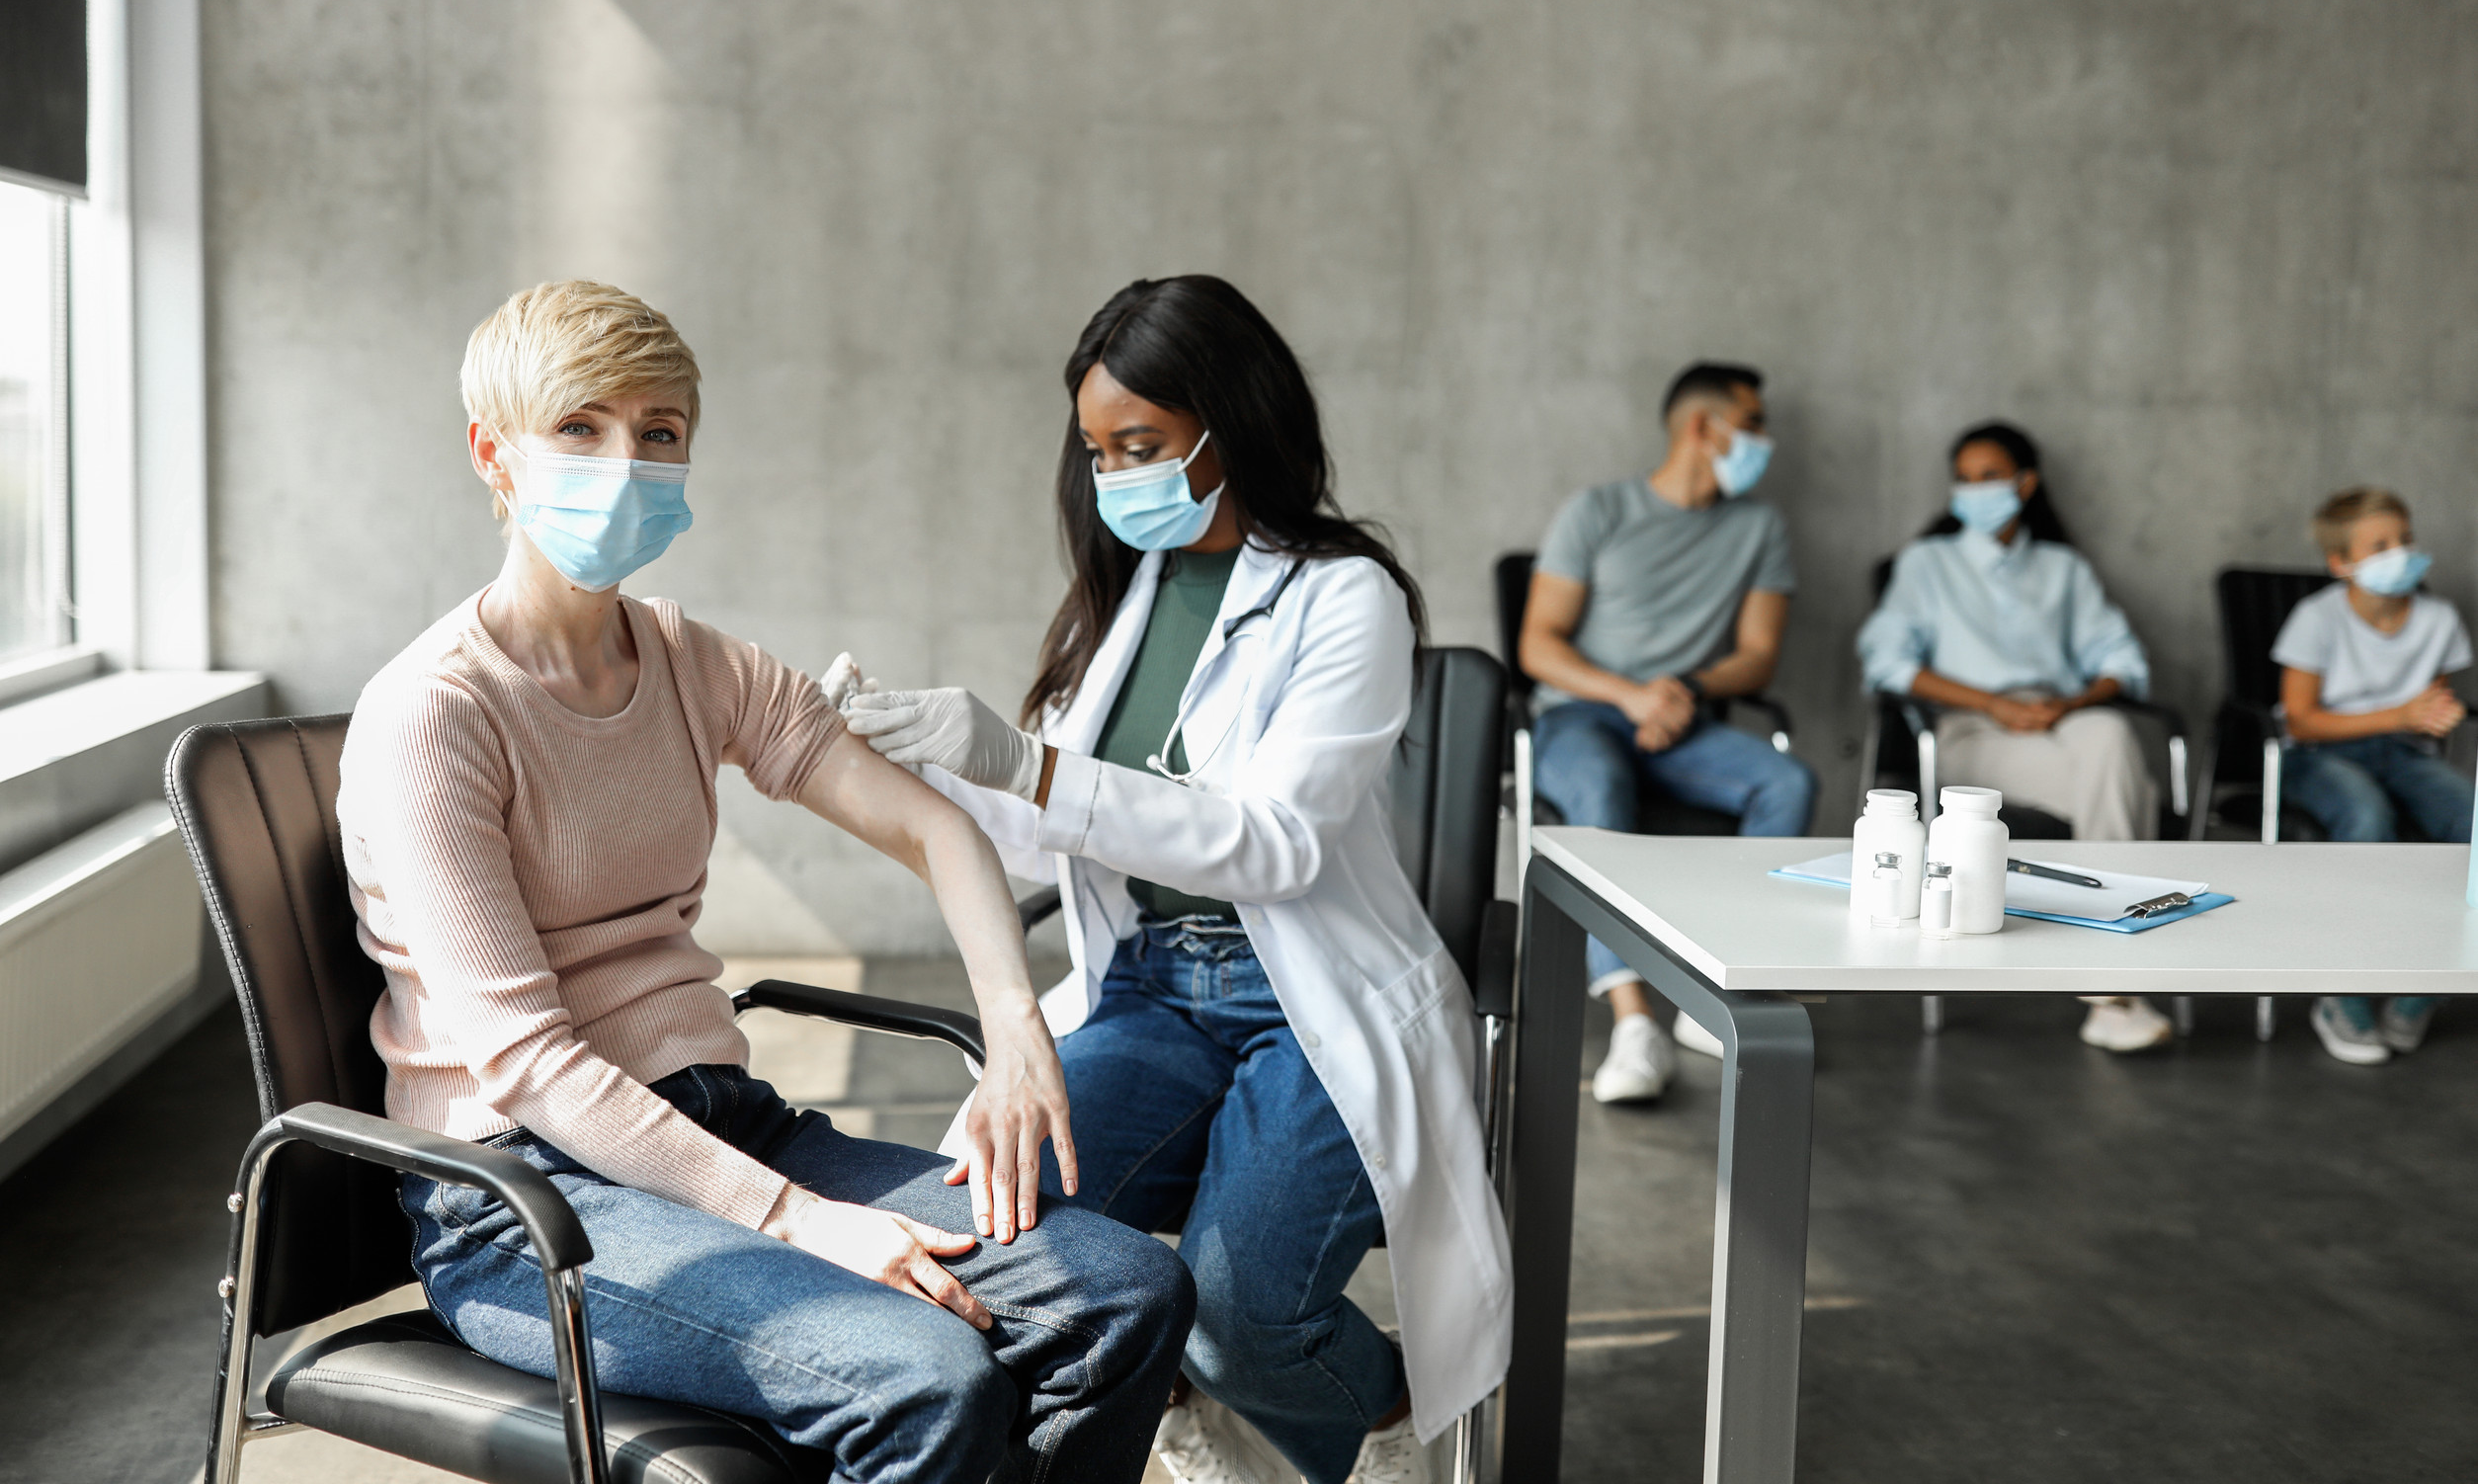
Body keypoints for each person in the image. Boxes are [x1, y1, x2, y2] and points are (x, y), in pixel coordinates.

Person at [339, 282, 1194, 1484]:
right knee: (923, 1377)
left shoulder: (693, 662)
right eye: (581, 426)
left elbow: (936, 830)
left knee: (1127, 1290)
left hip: (722, 1125)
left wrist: (1015, 1027)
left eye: (661, 431)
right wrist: (808, 1224)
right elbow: (526, 1062)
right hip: (526, 1198)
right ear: (495, 451)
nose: (626, 461)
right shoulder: (434, 715)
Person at [842, 276, 1510, 1484]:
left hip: (1308, 999)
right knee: (977, 1228)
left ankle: (1375, 1408)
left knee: (1243, 1307)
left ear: (1230, 421)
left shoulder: (1344, 598)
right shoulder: (1117, 602)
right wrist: (922, 758)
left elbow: (1275, 844)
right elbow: (1059, 837)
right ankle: (1177, 1388)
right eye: (1099, 452)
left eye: (1140, 446)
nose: (1113, 477)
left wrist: (1026, 760)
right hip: (1150, 989)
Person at [1518, 362, 1818, 1104]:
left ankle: (1708, 998)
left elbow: (1756, 656)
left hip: (1682, 722)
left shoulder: (1760, 528)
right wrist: (1632, 696)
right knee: (1598, 783)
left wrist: (1680, 693)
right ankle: (1633, 1022)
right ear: (1701, 427)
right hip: (1581, 714)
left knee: (1789, 781)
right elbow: (1540, 644)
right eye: (1750, 424)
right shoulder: (1598, 511)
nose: (1763, 441)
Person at [1857, 420, 2172, 1054]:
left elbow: (2123, 659)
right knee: (2126, 786)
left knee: (2109, 734)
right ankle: (2113, 977)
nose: (1975, 490)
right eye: (1964, 479)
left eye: (1990, 476)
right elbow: (1885, 662)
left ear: (2025, 484)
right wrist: (1993, 703)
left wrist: (2069, 702)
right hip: (1969, 726)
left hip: (2063, 717)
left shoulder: (2063, 569)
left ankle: (2104, 976)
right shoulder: (1928, 563)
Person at [2272, 486, 2473, 1065]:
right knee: (2366, 817)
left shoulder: (2438, 618)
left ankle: (2422, 989)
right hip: (2318, 756)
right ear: (2341, 563)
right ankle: (2342, 991)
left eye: (2405, 539)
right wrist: (2401, 714)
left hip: (2404, 754)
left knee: (2469, 818)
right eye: (2380, 544)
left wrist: (2435, 715)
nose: (2400, 552)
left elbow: (2433, 705)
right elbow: (2303, 720)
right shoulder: (2316, 617)